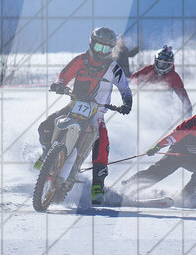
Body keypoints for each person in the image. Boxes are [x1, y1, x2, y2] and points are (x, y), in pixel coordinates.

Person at [36, 26, 132, 205]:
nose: (101, 52)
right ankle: (45, 157)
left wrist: (127, 103)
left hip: (97, 112)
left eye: (106, 49)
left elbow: (125, 88)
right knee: (45, 126)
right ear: (92, 44)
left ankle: (97, 186)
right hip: (74, 105)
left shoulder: (113, 68)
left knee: (102, 143)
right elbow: (64, 75)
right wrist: (59, 84)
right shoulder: (80, 60)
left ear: (111, 50)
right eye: (99, 47)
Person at [120, 89, 196, 207]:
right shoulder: (195, 121)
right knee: (160, 171)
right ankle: (128, 188)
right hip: (179, 152)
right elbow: (176, 135)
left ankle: (188, 193)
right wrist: (158, 146)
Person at [130, 45, 192, 116]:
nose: (161, 67)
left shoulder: (173, 76)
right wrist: (139, 83)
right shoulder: (150, 69)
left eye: (164, 65)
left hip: (165, 105)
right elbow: (134, 77)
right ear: (155, 61)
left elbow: (183, 94)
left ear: (170, 64)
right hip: (146, 101)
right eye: (159, 63)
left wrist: (188, 109)